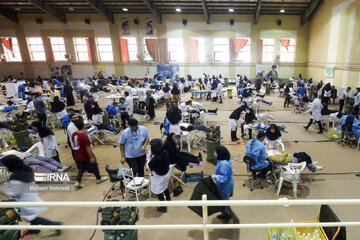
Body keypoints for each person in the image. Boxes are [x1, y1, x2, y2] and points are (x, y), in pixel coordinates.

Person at [1, 155, 62, 236]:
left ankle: (55, 225)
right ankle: (35, 229)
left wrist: (4, 190)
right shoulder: (26, 169)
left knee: (32, 218)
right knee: (32, 217)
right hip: (31, 196)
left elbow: (16, 193)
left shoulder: (15, 177)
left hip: (25, 201)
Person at [72, 117, 107, 189]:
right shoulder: (84, 136)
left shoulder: (74, 134)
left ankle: (78, 181)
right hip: (85, 156)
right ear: (83, 126)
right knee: (95, 165)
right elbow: (88, 148)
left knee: (81, 169)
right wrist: (91, 157)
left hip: (78, 155)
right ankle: (99, 178)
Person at [211, 146, 234, 220]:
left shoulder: (223, 165)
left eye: (216, 152)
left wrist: (216, 177)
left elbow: (224, 178)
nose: (214, 154)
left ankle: (227, 214)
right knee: (224, 200)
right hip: (226, 184)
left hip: (225, 186)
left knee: (224, 200)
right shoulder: (223, 161)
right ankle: (226, 212)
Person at [148, 138, 171, 213]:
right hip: (166, 175)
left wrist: (149, 157)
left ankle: (163, 207)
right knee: (165, 187)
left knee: (159, 191)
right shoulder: (165, 152)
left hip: (158, 177)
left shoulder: (156, 158)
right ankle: (168, 198)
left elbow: (149, 166)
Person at [0, 150, 70, 173]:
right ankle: (57, 170)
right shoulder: (3, 158)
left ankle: (62, 166)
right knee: (41, 162)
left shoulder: (8, 151)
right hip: (25, 160)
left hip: (29, 155)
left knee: (48, 158)